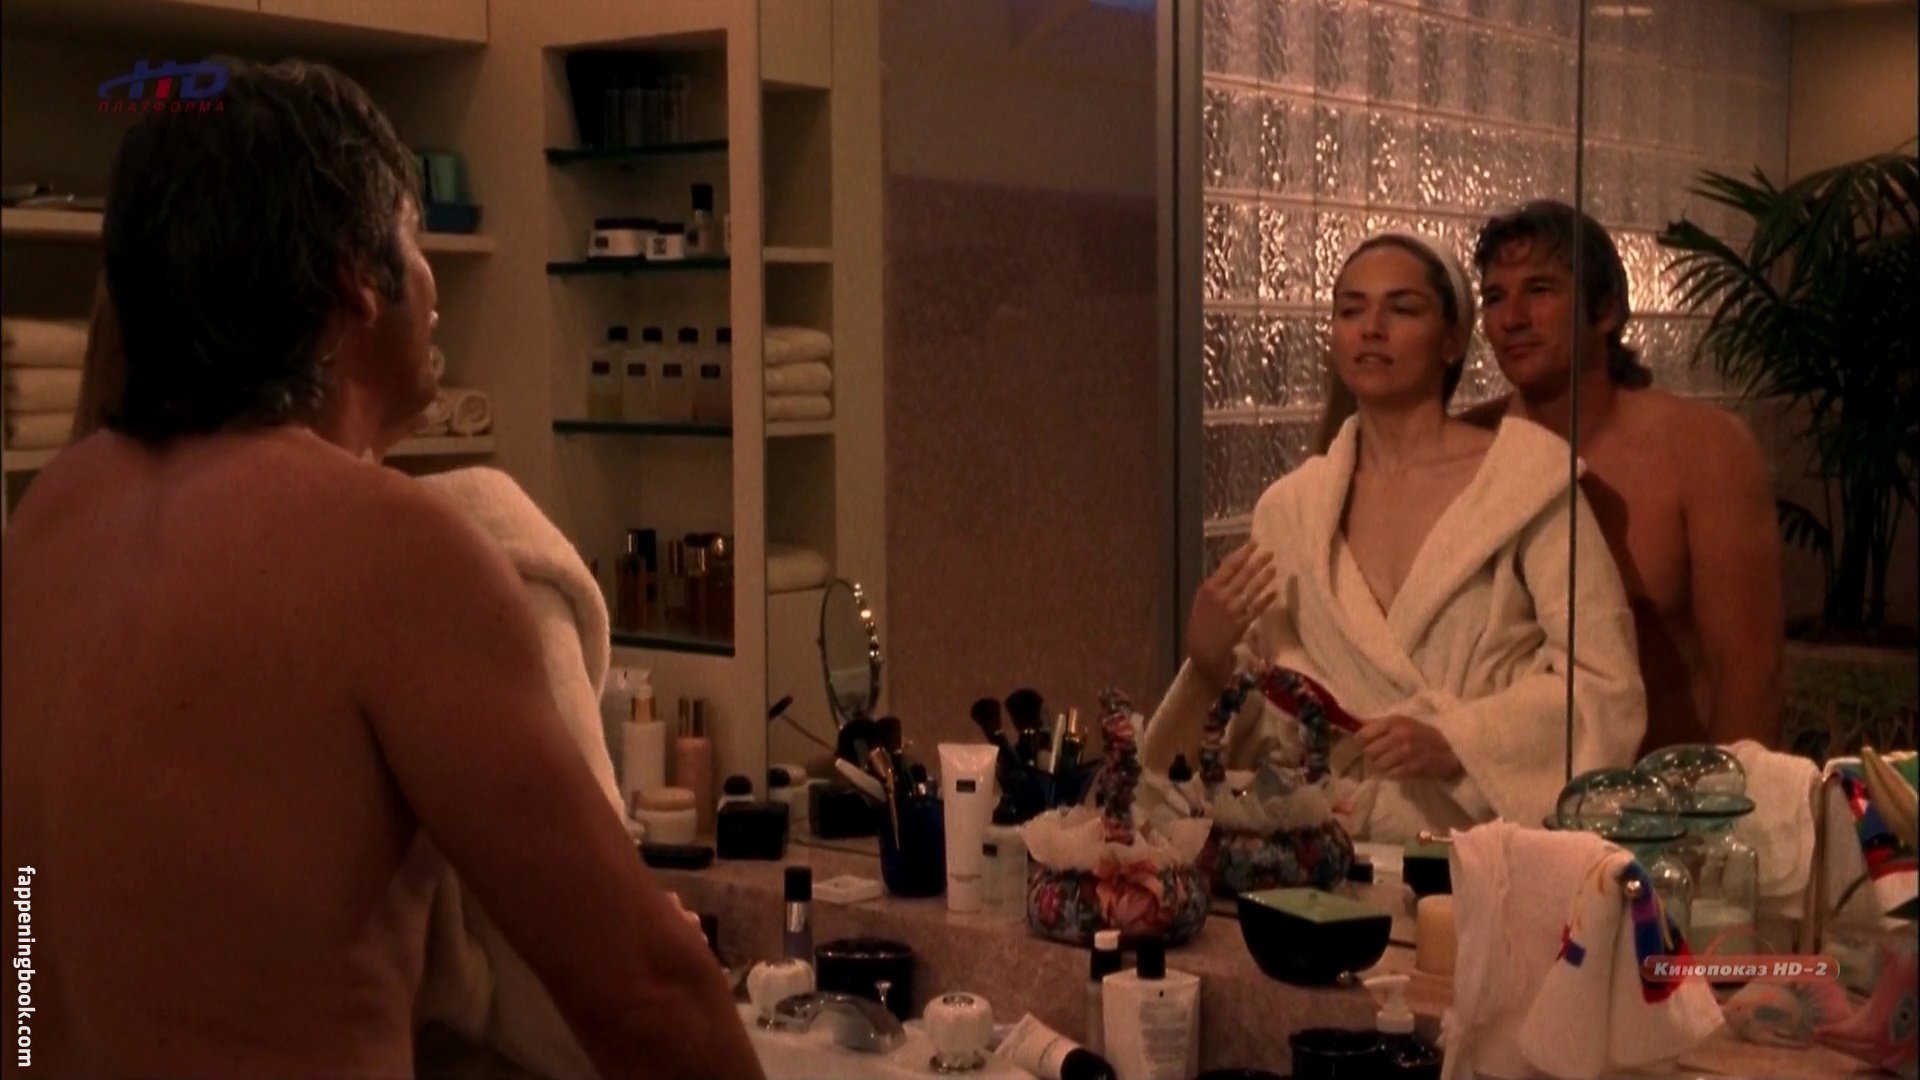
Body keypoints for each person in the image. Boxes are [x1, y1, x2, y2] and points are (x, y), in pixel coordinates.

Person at [0, 58, 760, 1079]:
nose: (431, 285)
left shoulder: (48, 524)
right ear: (356, 276)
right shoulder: (389, 550)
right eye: (413, 238)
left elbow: (30, 949)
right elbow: (646, 994)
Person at [1142, 232, 1646, 842]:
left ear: (1451, 340)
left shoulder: (1527, 486)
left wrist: (1459, 741)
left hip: (1476, 847)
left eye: (1402, 309)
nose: (1371, 329)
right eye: (1351, 310)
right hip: (1325, 842)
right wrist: (1210, 660)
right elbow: (1268, 709)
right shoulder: (1291, 510)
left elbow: (1603, 686)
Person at [1468, 200, 1784, 754]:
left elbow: (1750, 671)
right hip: (1503, 786)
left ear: (1607, 309)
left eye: (1539, 290)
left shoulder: (1702, 447)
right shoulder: (1468, 446)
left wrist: (1723, 801)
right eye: (1494, 297)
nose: (1512, 318)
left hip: (1663, 785)